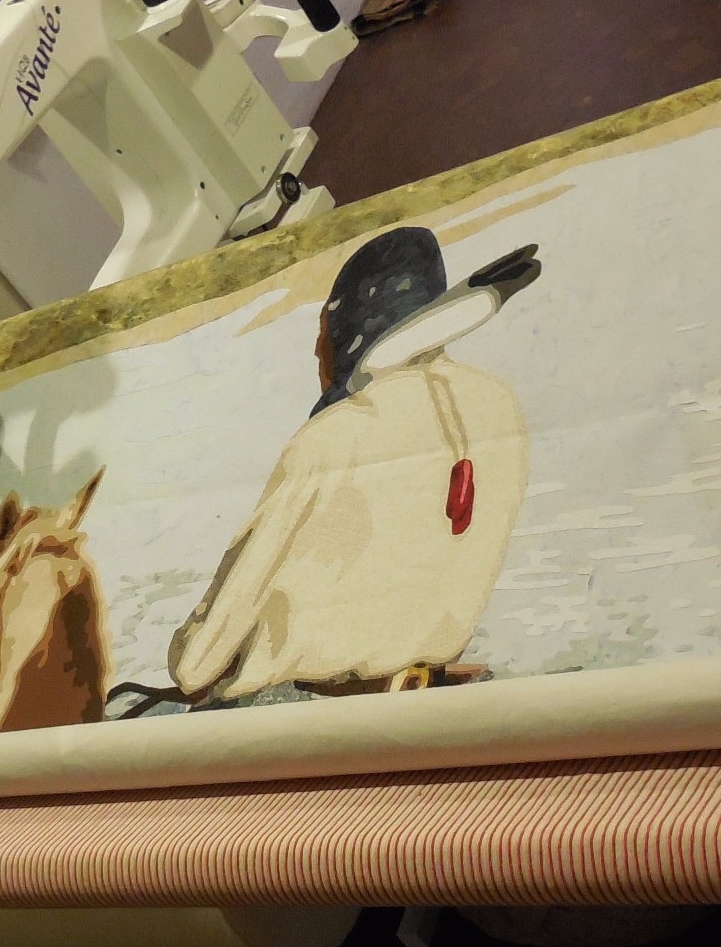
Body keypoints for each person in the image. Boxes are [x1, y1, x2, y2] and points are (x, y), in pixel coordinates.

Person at [170, 226, 540, 702]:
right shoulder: (498, 405)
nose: (317, 351)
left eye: (324, 332)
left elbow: (199, 663)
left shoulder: (330, 439)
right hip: (433, 692)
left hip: (307, 708)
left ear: (350, 326)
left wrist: (188, 657)